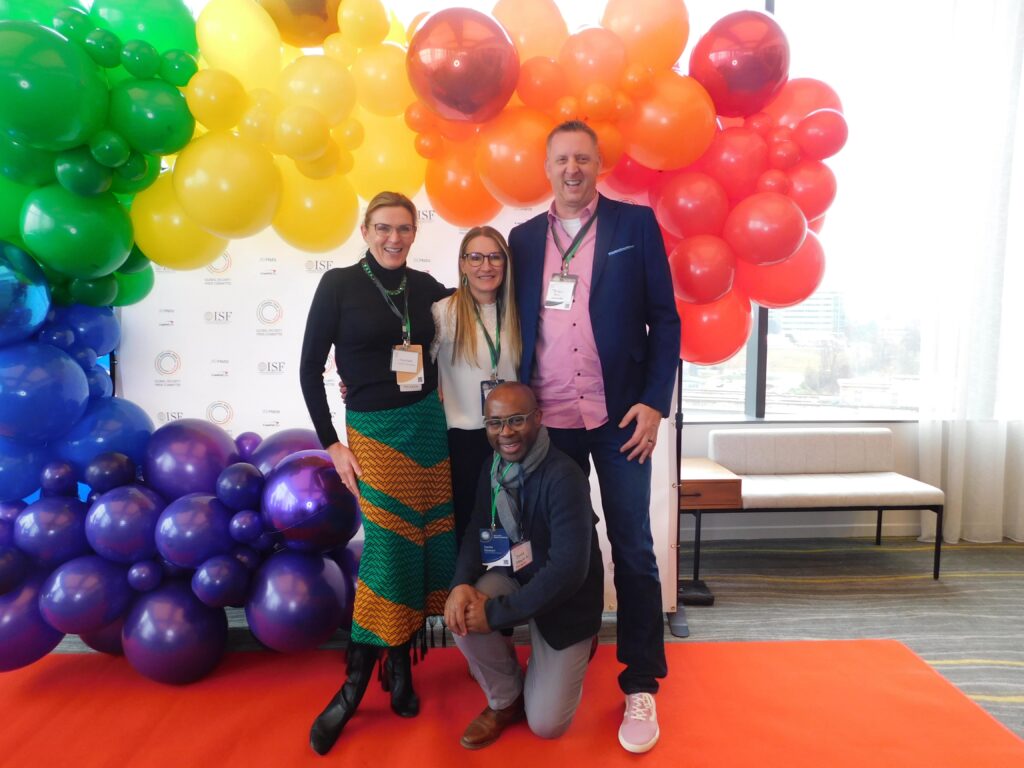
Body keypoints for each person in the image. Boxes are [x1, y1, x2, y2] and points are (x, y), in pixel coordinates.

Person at [507, 120, 681, 754]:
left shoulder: (634, 227)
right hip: (548, 422)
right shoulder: (523, 239)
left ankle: (640, 682)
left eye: (582, 158)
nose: (572, 168)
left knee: (633, 545)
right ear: (546, 167)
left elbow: (664, 321)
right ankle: (559, 664)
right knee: (559, 548)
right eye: (561, 159)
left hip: (619, 418)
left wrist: (655, 404)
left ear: (598, 164)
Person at [298, 191, 456, 756]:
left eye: (405, 229)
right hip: (374, 434)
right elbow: (309, 370)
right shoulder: (338, 284)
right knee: (389, 555)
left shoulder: (429, 288)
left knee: (419, 550)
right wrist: (332, 444)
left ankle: (402, 669)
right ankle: (352, 687)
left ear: (415, 233)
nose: (395, 238)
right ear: (365, 230)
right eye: (384, 228)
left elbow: (479, 308)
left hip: (428, 428)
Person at [445, 382, 603, 750]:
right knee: (462, 612)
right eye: (495, 423)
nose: (506, 433)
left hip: (566, 599)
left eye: (516, 420)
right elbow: (476, 530)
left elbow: (567, 572)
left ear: (538, 419)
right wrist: (460, 584)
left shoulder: (563, 476)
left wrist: (497, 614)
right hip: (515, 576)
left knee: (547, 725)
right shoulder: (492, 468)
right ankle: (506, 699)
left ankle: (577, 644)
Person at [431, 226, 521, 545]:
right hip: (464, 439)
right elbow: (413, 369)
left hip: (514, 439)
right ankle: (471, 592)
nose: (486, 266)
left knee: (511, 526)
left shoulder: (518, 311)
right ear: (463, 264)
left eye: (495, 256)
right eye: (476, 257)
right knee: (471, 529)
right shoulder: (444, 312)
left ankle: (505, 593)